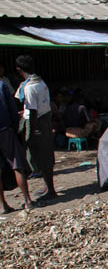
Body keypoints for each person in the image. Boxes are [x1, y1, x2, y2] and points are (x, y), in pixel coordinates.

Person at [15, 55, 56, 200]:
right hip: (43, 120)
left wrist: (30, 133)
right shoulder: (40, 82)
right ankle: (48, 187)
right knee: (45, 156)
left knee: (41, 156)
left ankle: (50, 189)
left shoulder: (30, 87)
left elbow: (33, 111)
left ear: (19, 70)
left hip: (37, 123)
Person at [0, 78, 34, 213]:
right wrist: (16, 128)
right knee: (17, 163)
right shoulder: (2, 85)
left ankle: (2, 205)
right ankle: (27, 200)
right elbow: (12, 110)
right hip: (5, 130)